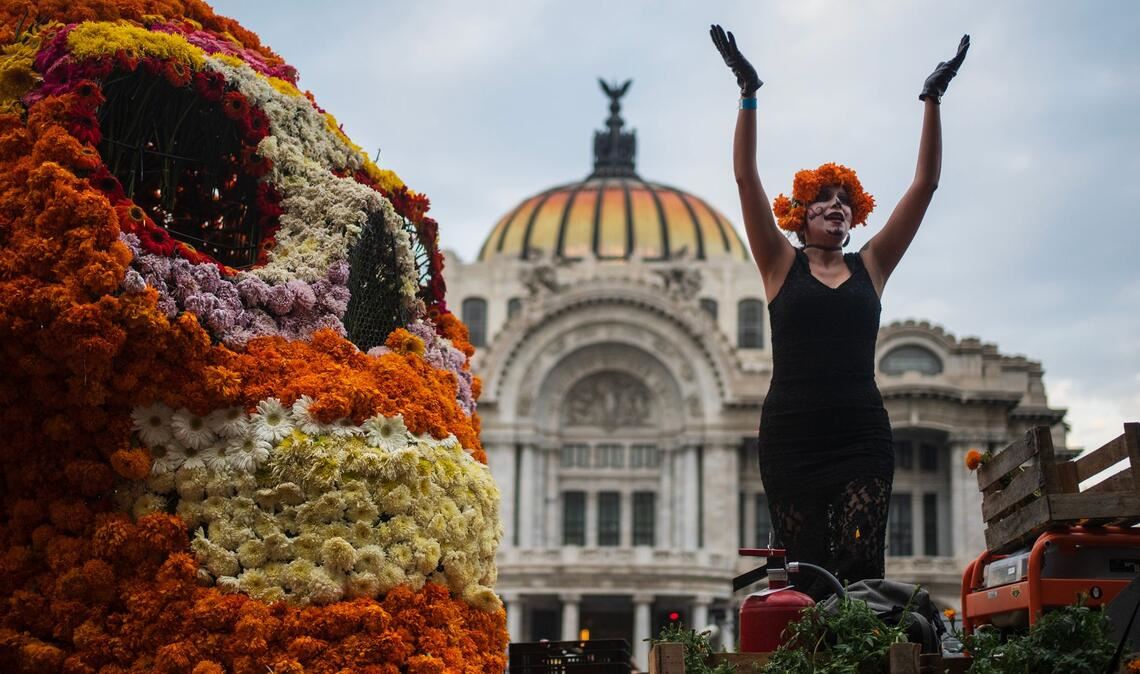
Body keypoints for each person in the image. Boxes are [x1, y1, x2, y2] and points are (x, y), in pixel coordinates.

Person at [710, 25, 969, 599]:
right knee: (808, 574)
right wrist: (748, 93)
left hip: (860, 433)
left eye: (845, 202)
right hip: (791, 435)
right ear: (800, 215)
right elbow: (745, 178)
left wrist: (932, 99)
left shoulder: (871, 267)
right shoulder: (779, 264)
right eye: (824, 200)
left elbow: (925, 185)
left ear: (855, 218)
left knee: (858, 562)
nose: (836, 208)